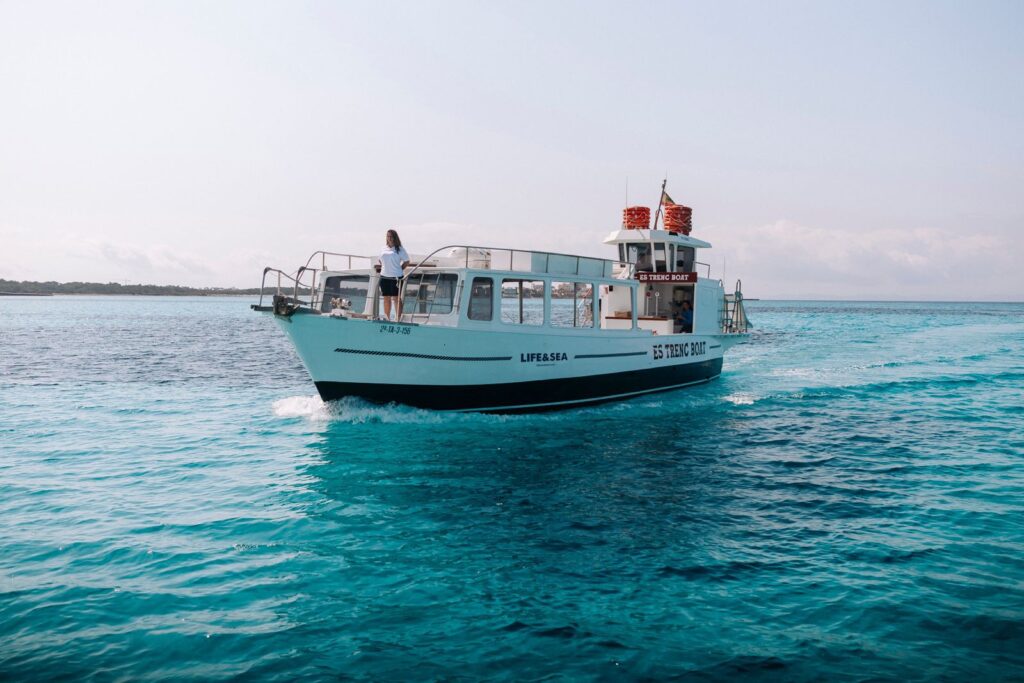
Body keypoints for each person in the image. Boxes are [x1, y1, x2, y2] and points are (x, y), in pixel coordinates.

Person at [378, 229, 410, 321]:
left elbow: (407, 261)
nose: (389, 238)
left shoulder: (400, 249)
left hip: (396, 277)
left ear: (395, 237)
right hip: (384, 276)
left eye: (391, 236)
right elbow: (380, 259)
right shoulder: (383, 248)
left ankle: (398, 318)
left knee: (396, 298)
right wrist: (385, 267)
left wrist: (400, 269)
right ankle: (387, 318)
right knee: (386, 298)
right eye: (388, 236)